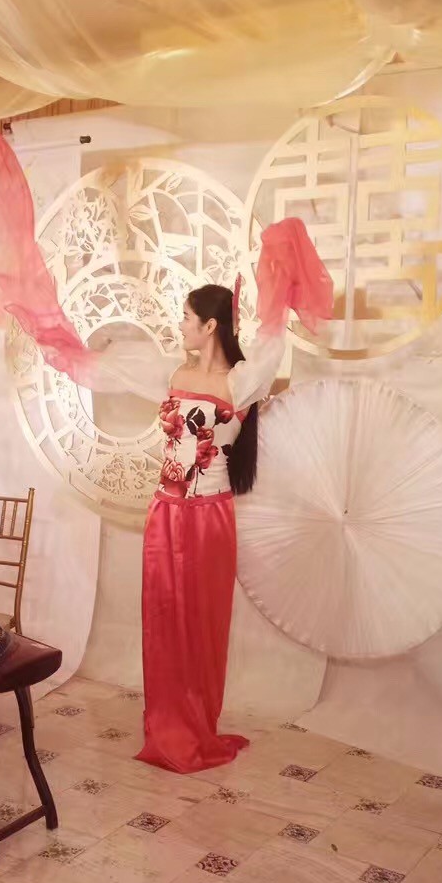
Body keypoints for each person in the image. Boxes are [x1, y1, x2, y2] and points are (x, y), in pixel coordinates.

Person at [88, 219, 332, 774]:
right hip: (164, 512)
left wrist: (278, 281)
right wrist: (57, 338)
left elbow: (271, 339)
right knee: (162, 620)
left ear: (210, 325)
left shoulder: (241, 382)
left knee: (200, 624)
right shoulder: (172, 374)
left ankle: (195, 724)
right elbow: (111, 368)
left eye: (186, 317)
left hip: (208, 516)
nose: (180, 325)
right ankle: (166, 723)